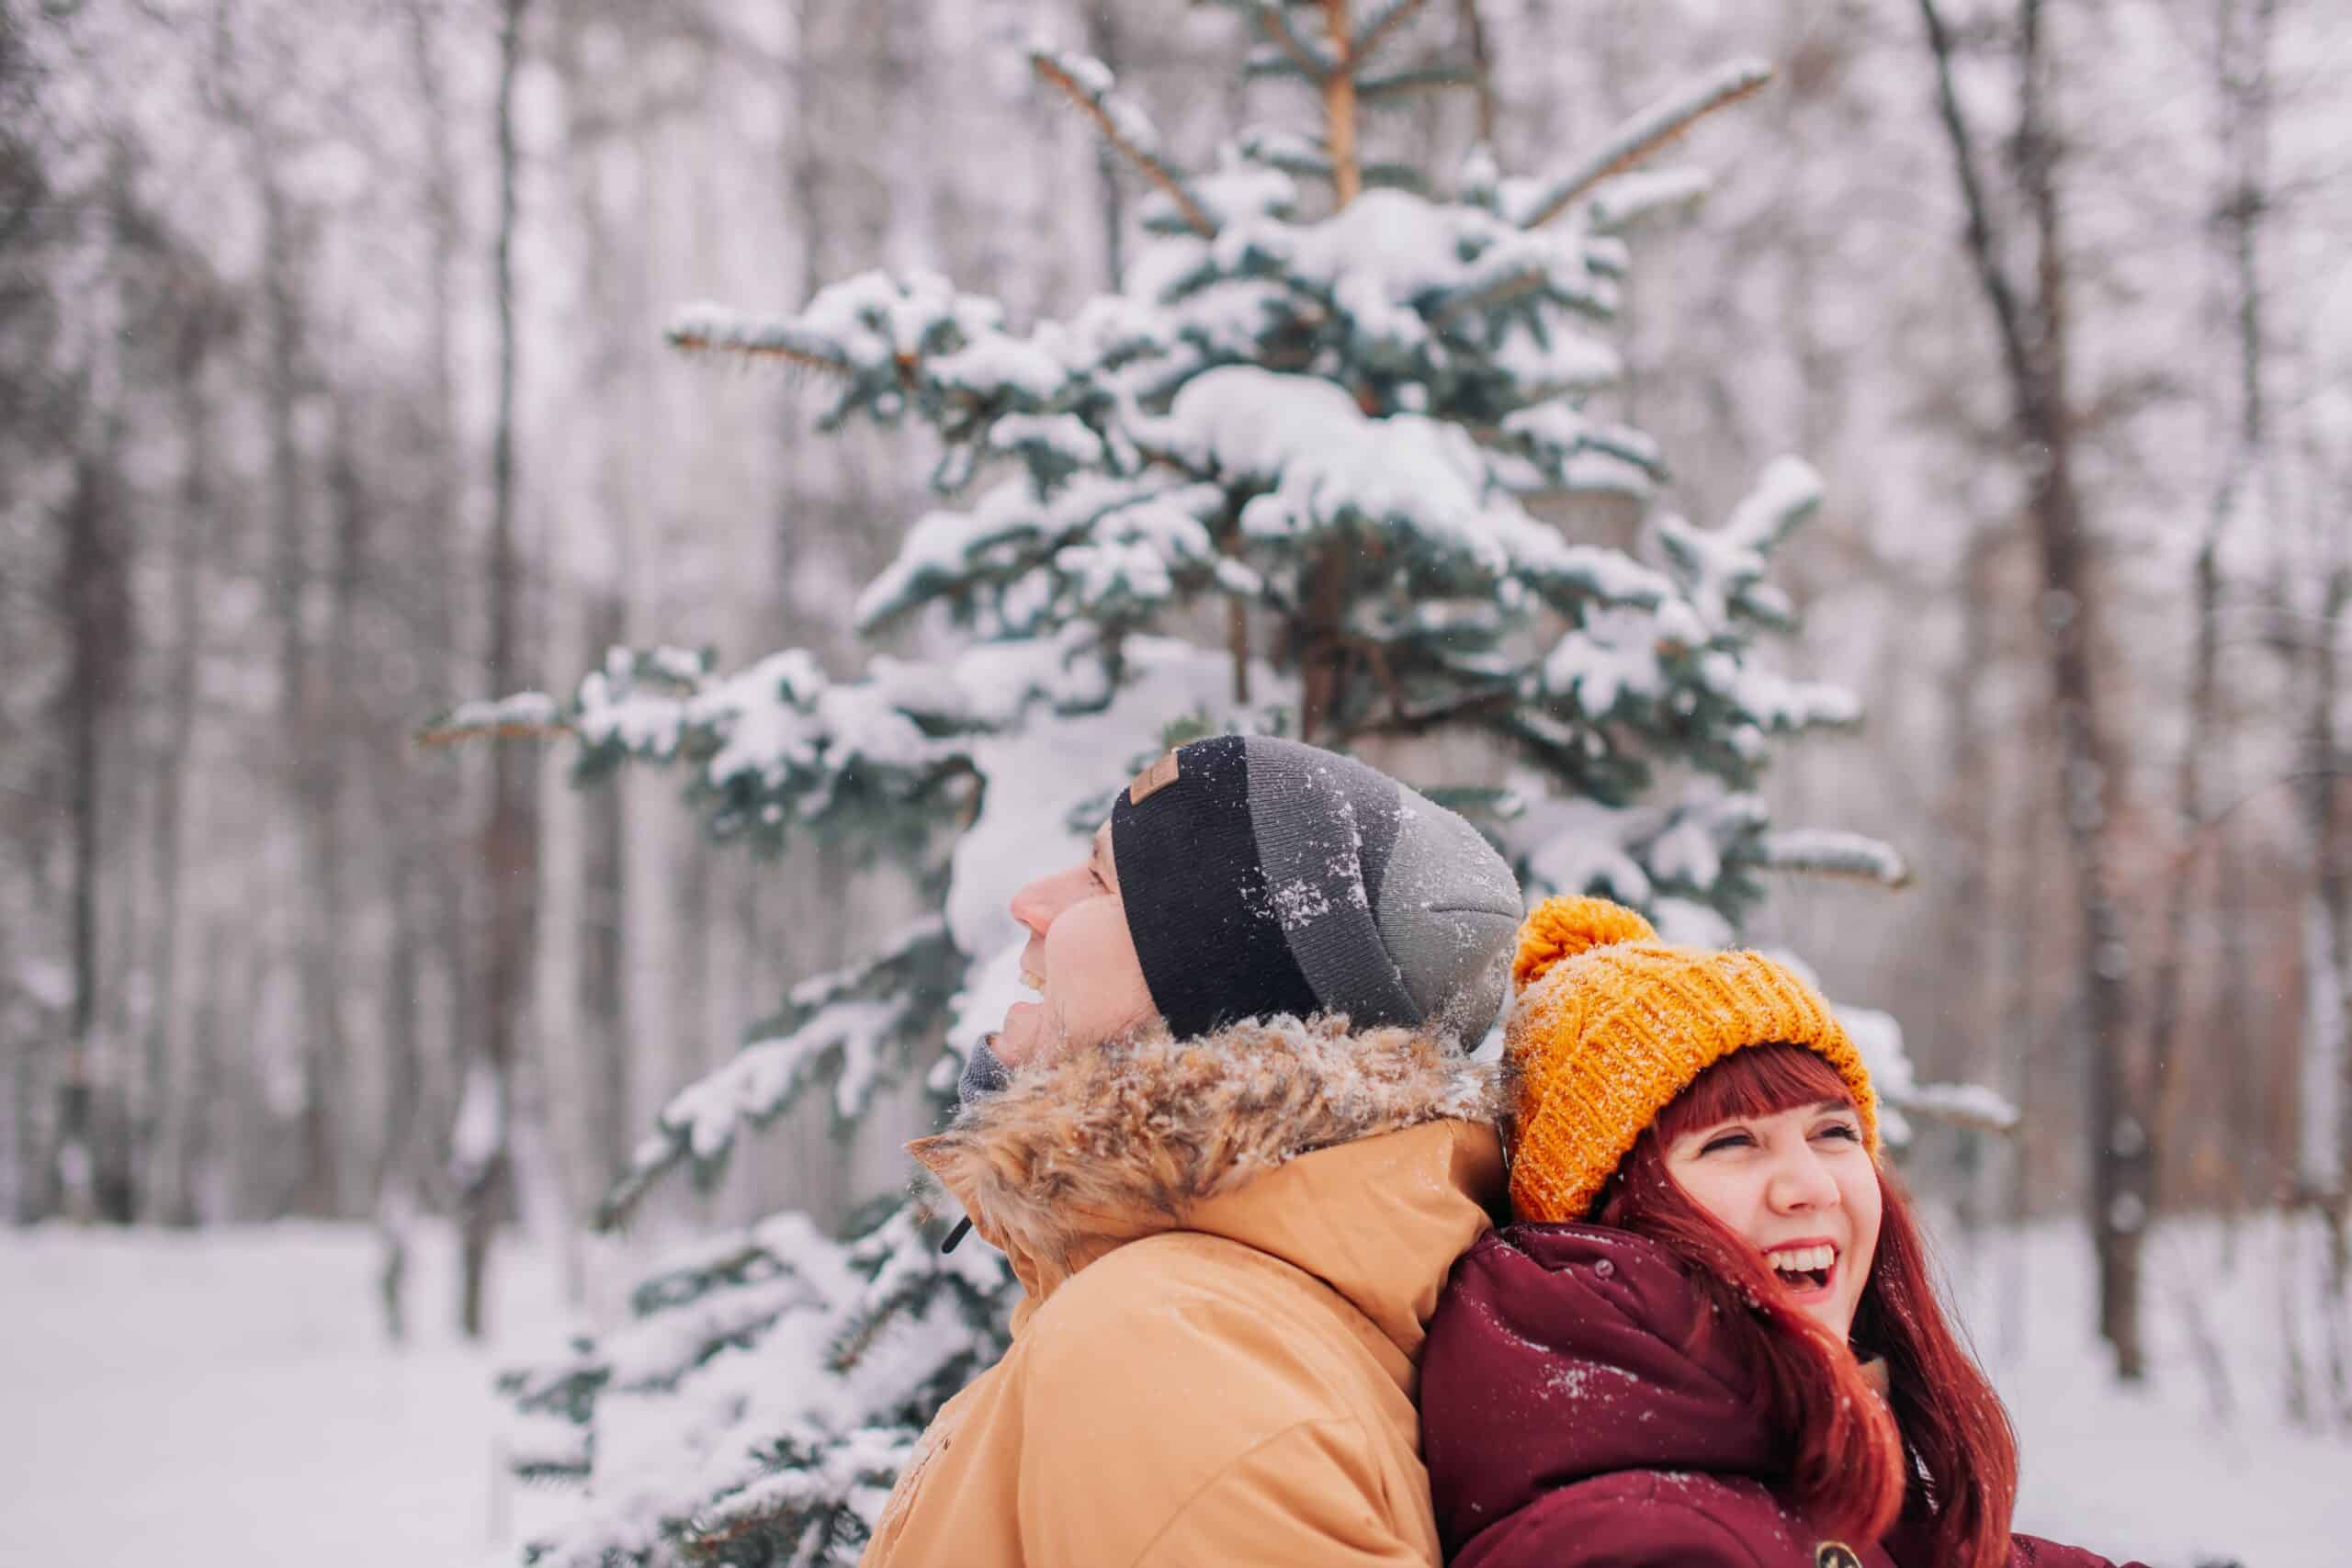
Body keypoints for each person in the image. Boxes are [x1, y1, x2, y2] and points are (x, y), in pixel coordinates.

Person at [863, 733, 1527, 1568]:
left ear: (1209, 1000)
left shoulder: (1163, 1354)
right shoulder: (1210, 1322)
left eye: (1102, 880)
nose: (1031, 901)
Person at [1418, 896, 2151, 1568]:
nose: (1812, 1184)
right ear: (1607, 1210)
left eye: (1833, 1131)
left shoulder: (1797, 1467)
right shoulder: (1631, 1536)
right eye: (1731, 1142)